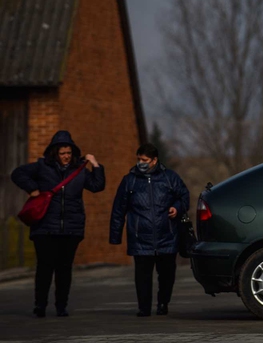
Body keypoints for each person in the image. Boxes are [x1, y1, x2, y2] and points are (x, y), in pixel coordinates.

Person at [11, 131, 105, 318]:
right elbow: (17, 174)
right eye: (62, 153)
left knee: (64, 268)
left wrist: (95, 164)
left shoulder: (79, 171)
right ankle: (40, 305)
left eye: (69, 153)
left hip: (71, 228)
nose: (66, 157)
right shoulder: (41, 167)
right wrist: (33, 189)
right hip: (45, 227)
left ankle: (61, 306)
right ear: (55, 153)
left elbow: (97, 186)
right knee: (45, 267)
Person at [109, 143, 190, 317]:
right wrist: (115, 236)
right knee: (142, 277)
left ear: (154, 160)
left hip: (167, 235)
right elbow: (118, 209)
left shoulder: (170, 178)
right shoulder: (129, 180)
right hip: (140, 237)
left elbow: (184, 196)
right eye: (138, 159)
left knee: (167, 275)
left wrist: (177, 208)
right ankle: (143, 307)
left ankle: (163, 303)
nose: (141, 163)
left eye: (144, 160)